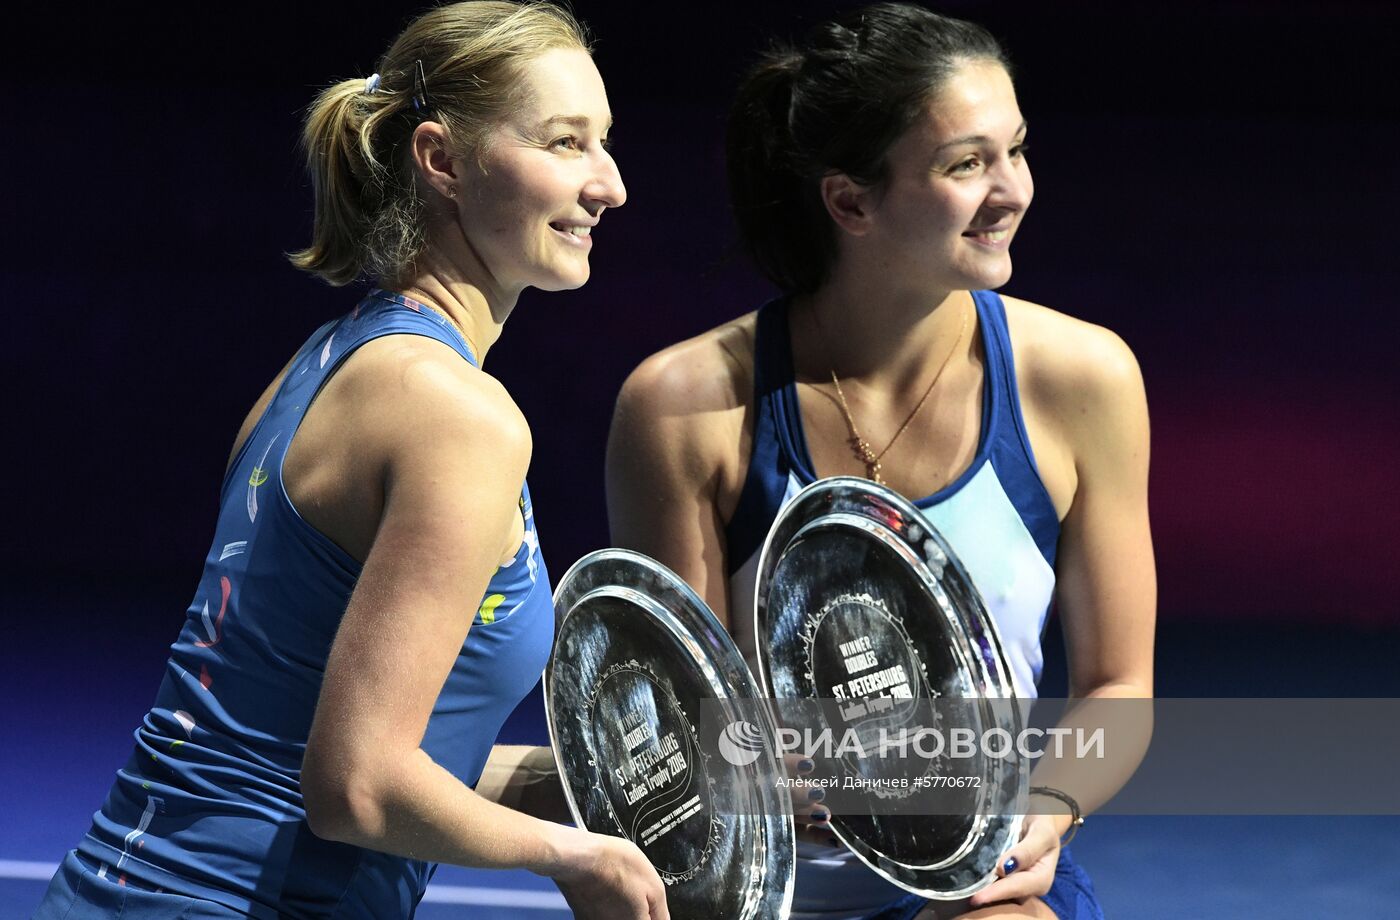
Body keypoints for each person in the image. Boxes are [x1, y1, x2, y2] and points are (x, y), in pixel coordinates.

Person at [34, 3, 668, 918]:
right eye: (565, 143)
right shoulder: (457, 416)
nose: (610, 184)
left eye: (604, 142)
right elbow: (358, 788)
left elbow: (307, 752)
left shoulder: (326, 362)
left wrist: (615, 788)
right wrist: (573, 857)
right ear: (442, 161)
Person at [606, 3, 1154, 919]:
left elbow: (1118, 687)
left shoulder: (1086, 379)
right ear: (850, 202)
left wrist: (1047, 810)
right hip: (759, 892)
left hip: (980, 885)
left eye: (1016, 151)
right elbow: (682, 721)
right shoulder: (683, 407)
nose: (1011, 190)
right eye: (966, 163)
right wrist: (745, 765)